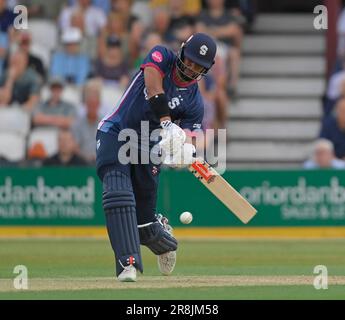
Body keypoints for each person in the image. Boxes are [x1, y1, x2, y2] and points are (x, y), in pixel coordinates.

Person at [96, 32, 217, 282]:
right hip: (117, 131)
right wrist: (167, 123)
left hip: (148, 149)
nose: (191, 68)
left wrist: (186, 151)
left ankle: (166, 240)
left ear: (206, 70)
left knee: (145, 227)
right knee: (118, 191)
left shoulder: (195, 102)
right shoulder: (161, 55)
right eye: (190, 60)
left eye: (198, 67)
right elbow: (153, 88)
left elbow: (194, 136)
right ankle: (127, 264)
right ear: (182, 51)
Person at [72, 80, 102, 164]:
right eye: (90, 104)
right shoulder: (77, 124)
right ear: (85, 105)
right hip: (82, 162)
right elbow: (75, 147)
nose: (92, 107)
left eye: (94, 104)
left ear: (99, 104)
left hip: (101, 160)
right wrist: (86, 157)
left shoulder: (105, 124)